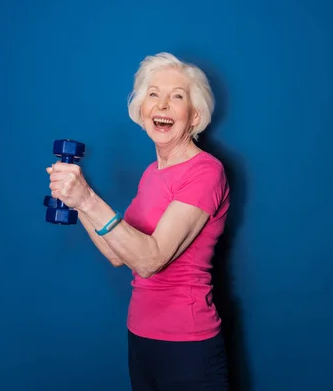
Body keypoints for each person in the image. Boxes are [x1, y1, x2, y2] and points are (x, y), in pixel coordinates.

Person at [46, 52, 231, 390]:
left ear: (195, 115)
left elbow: (149, 259)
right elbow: (119, 253)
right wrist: (77, 201)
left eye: (177, 96)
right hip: (141, 338)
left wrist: (87, 198)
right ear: (141, 109)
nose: (162, 105)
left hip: (188, 346)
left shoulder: (207, 172)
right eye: (153, 94)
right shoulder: (151, 174)